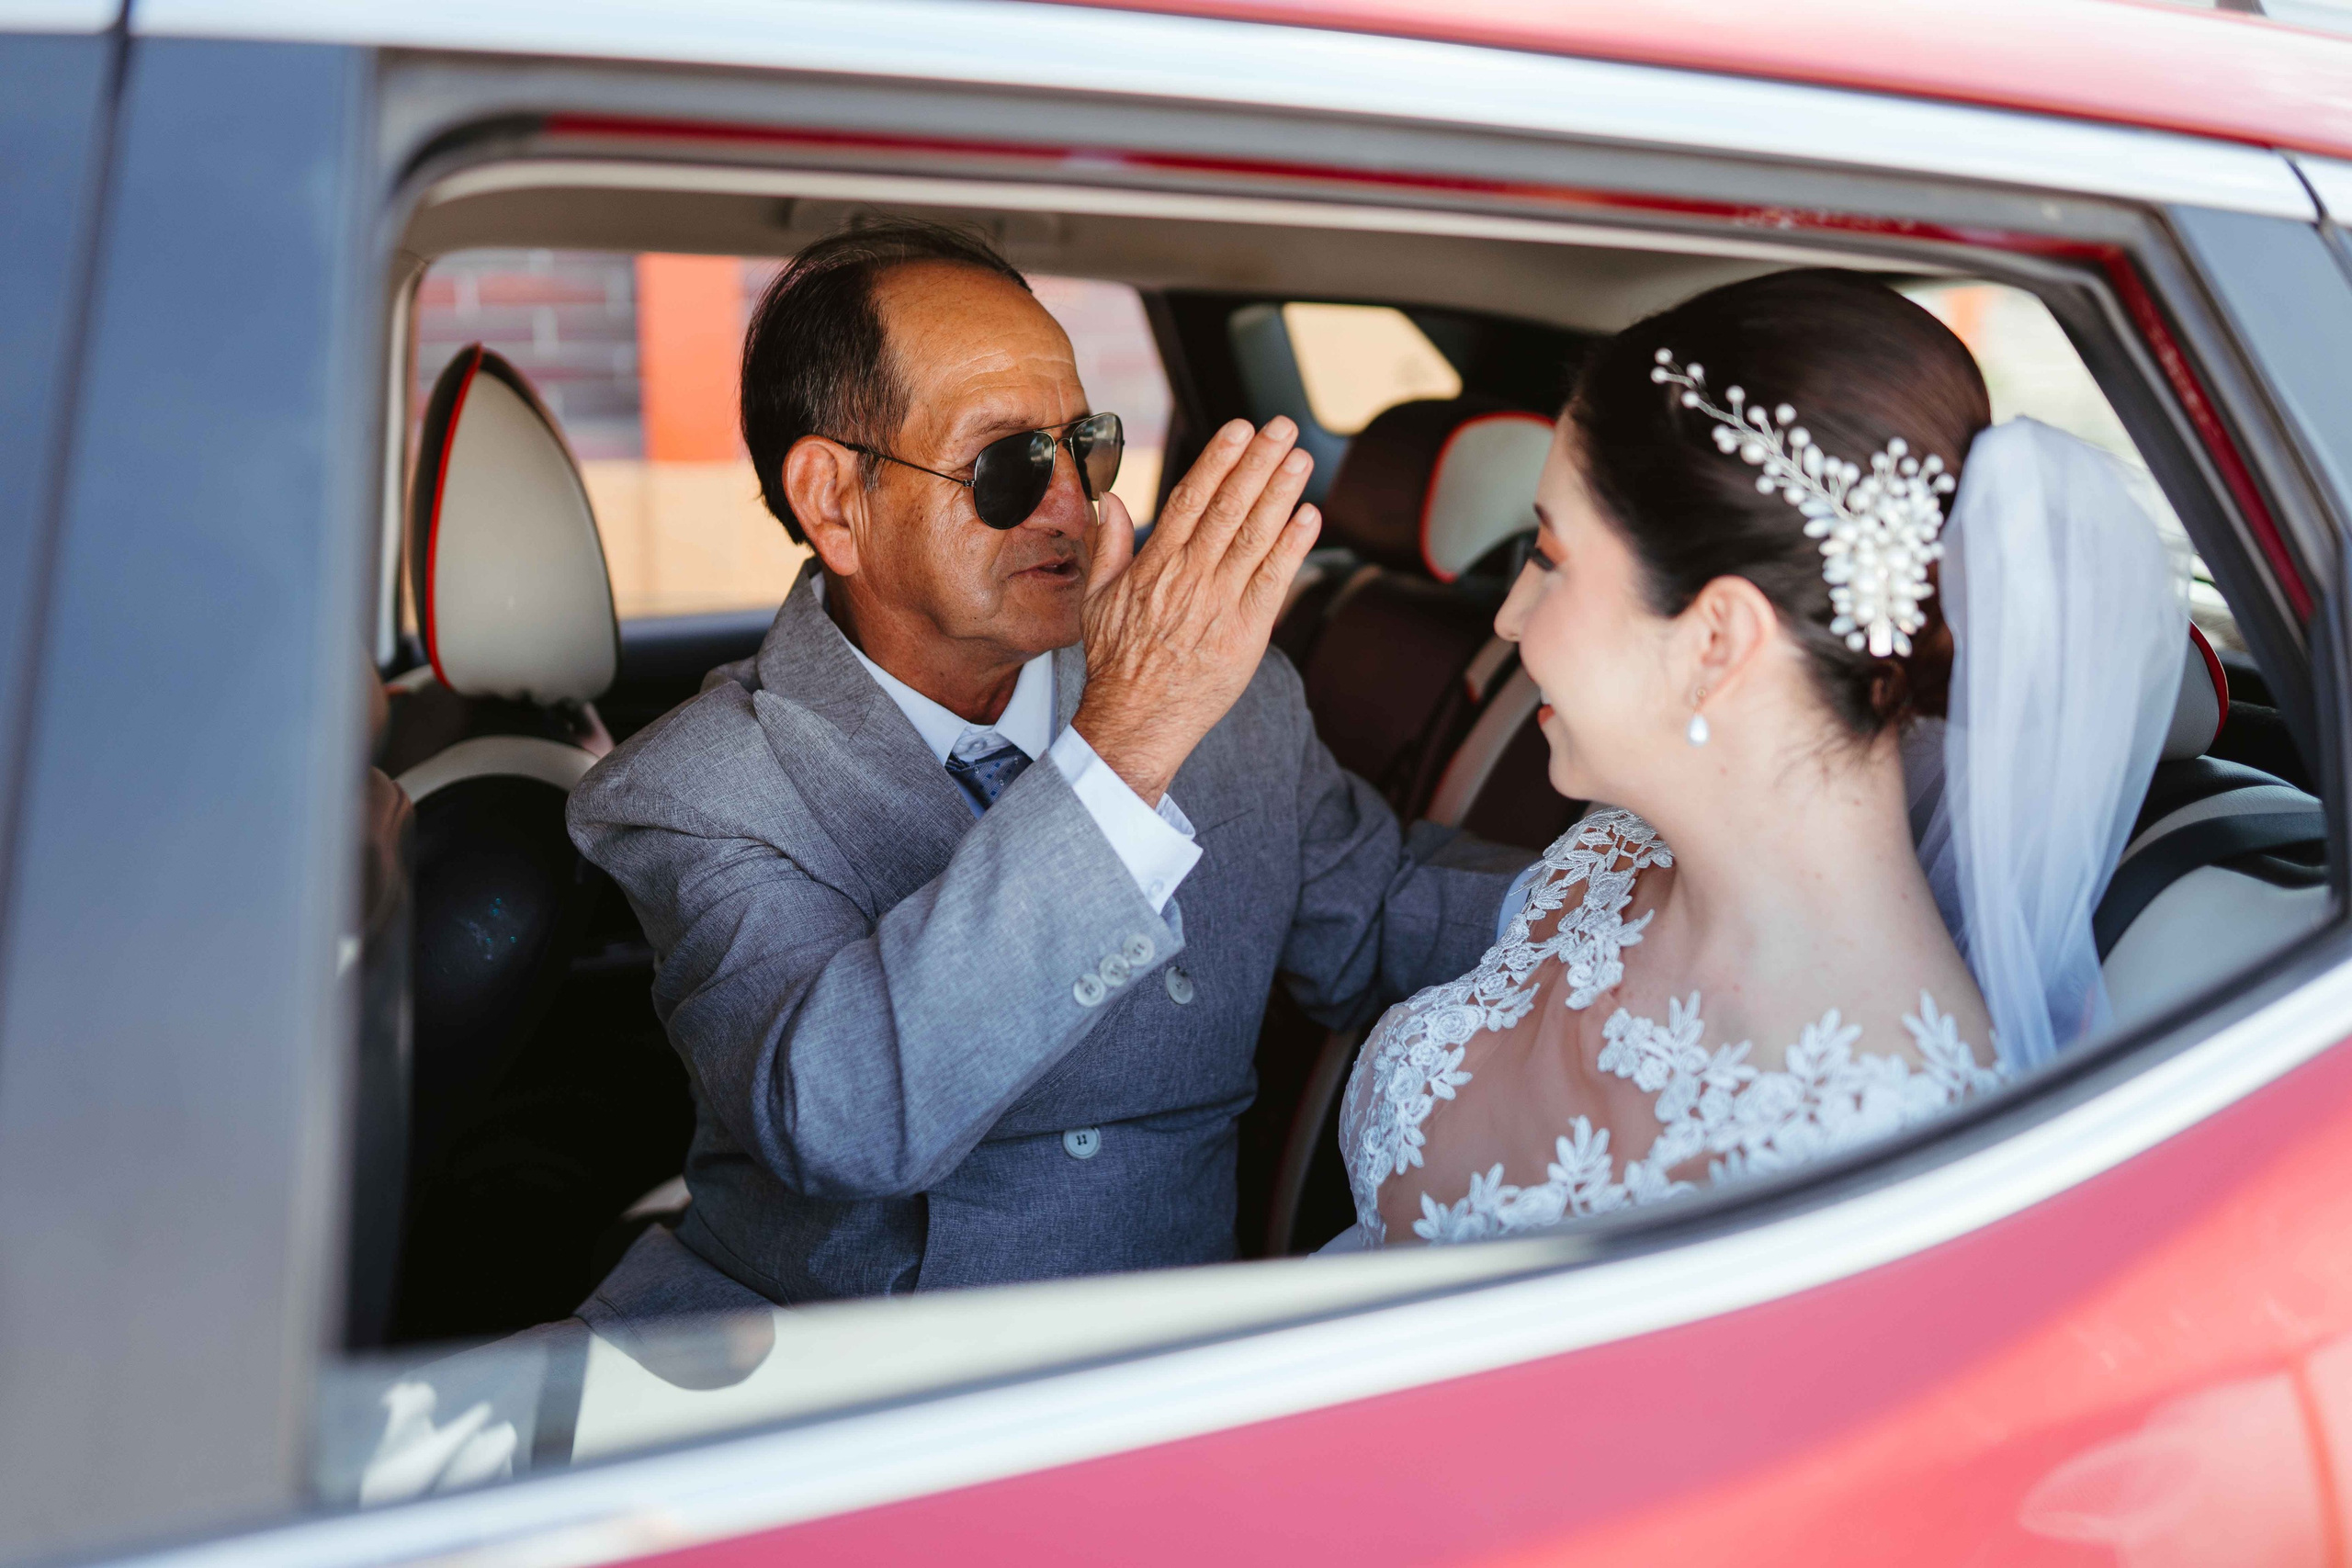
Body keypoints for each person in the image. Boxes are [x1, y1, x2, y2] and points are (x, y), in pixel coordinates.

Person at [567, 221, 1522, 1311]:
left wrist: (1684, 891)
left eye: (1087, 446)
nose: (1073, 504)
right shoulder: (698, 785)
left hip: (1135, 1375)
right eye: (1010, 464)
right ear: (834, 501)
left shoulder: (1227, 701)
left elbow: (1388, 911)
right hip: (826, 1381)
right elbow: (844, 1120)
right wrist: (1121, 753)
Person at [1334, 270, 2186, 1248]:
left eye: (1551, 559)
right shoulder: (1610, 860)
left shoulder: (1871, 1144)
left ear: (1715, 641)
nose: (1508, 617)